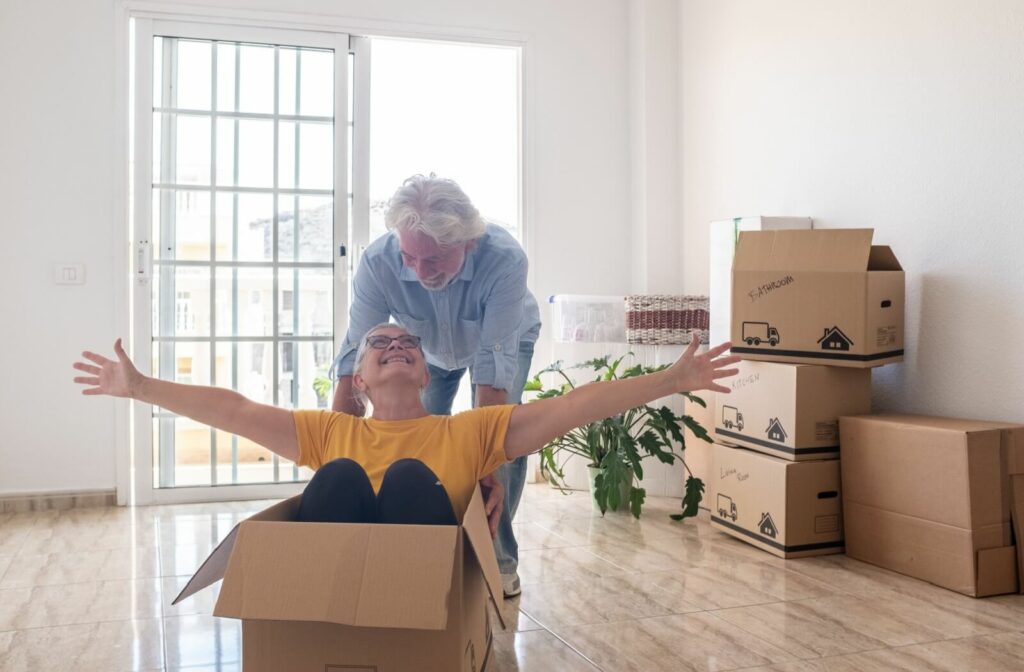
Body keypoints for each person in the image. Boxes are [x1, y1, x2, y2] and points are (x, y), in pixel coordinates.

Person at [73, 326, 738, 574]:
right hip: (336, 581)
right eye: (378, 344)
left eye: (409, 346)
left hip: (426, 587)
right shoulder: (331, 433)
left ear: (425, 374)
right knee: (335, 480)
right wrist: (140, 387)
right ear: (358, 379)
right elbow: (235, 411)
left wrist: (672, 380)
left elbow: (571, 408)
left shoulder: (470, 433)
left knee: (415, 483)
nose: (395, 346)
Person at [331, 174, 541, 597]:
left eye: (434, 260)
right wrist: (334, 453)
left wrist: (486, 465)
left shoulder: (505, 260)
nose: (420, 272)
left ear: (469, 242)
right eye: (411, 258)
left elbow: (491, 374)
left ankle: (495, 559)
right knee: (417, 442)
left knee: (505, 445)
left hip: (501, 343)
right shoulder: (379, 262)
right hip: (424, 347)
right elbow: (356, 354)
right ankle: (424, 550)